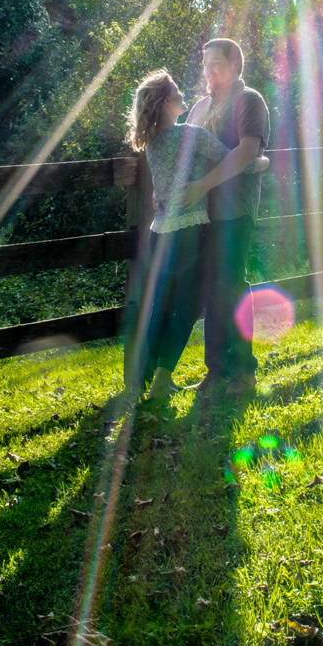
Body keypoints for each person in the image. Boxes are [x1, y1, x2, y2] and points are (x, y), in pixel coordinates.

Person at [125, 68, 269, 402]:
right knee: (188, 307)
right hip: (191, 233)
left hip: (160, 234)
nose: (182, 93)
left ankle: (144, 380)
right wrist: (263, 162)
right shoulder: (191, 135)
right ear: (165, 103)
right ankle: (162, 380)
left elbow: (161, 187)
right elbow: (240, 161)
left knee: (161, 303)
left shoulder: (152, 143)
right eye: (176, 90)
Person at [181, 38, 270, 396]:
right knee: (210, 290)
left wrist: (202, 185)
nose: (208, 71)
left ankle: (244, 374)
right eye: (205, 64)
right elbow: (182, 148)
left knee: (230, 285)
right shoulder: (200, 106)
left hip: (234, 211)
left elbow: (248, 151)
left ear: (235, 67)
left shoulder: (248, 101)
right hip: (199, 214)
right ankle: (216, 372)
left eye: (216, 63)